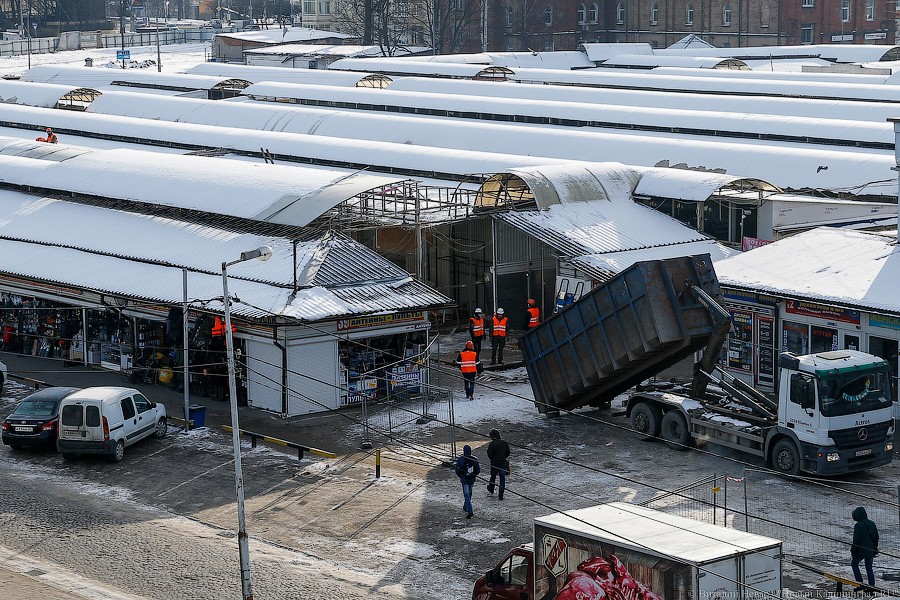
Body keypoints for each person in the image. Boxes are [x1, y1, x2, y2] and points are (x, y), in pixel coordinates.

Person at [851, 506, 879, 588]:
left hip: (861, 551)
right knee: (869, 568)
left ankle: (860, 583)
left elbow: (856, 540)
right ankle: (872, 586)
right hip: (870, 550)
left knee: (854, 564)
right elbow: (876, 537)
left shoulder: (858, 525)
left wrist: (853, 550)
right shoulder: (872, 523)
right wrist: (875, 547)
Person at [455, 444, 480, 518]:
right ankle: (466, 506)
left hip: (464, 479)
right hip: (472, 479)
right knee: (469, 493)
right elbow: (478, 470)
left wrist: (461, 476)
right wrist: (473, 475)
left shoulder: (460, 459)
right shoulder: (475, 459)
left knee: (466, 494)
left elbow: (457, 470)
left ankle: (470, 510)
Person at [486, 428, 510, 500]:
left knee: (493, 476)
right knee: (502, 478)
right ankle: (501, 495)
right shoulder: (504, 443)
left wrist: (493, 459)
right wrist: (503, 457)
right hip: (503, 462)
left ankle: (491, 488)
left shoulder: (492, 444)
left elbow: (489, 454)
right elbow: (508, 452)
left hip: (494, 463)